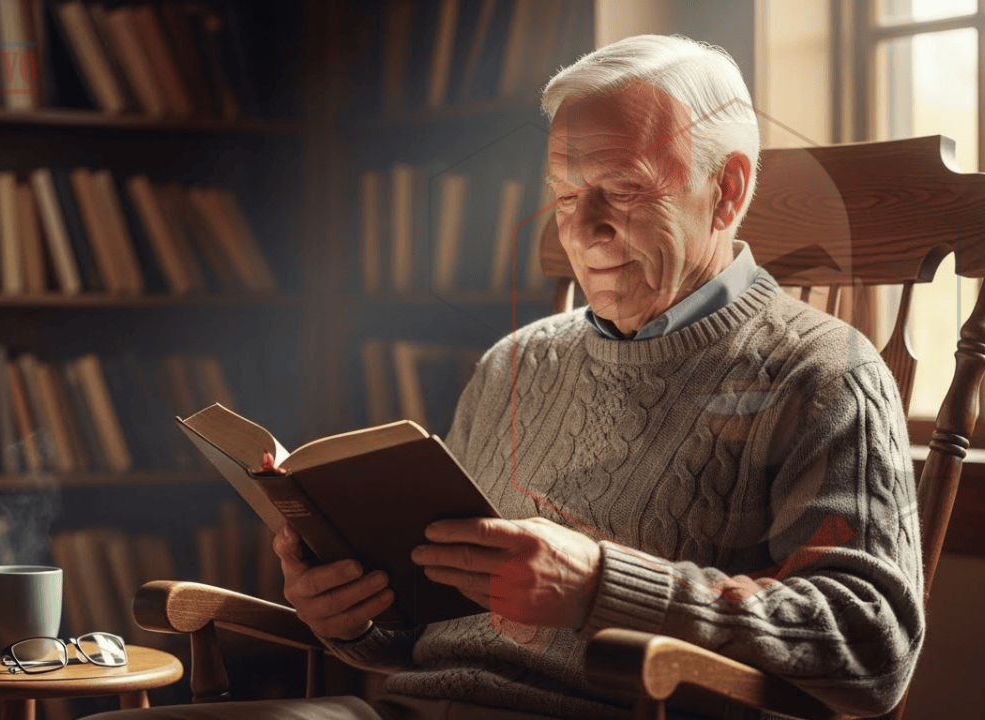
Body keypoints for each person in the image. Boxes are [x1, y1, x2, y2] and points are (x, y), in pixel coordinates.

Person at [88, 34, 924, 720]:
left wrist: (603, 585)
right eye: (565, 196)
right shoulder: (518, 361)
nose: (584, 231)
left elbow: (872, 646)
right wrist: (352, 615)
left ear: (728, 189)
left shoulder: (824, 373)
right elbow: (428, 632)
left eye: (622, 191)